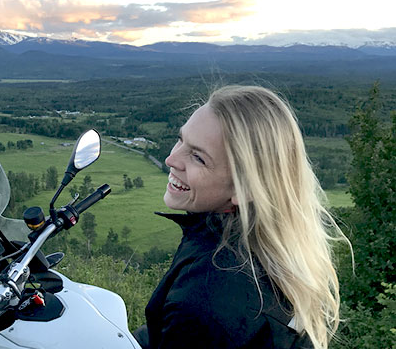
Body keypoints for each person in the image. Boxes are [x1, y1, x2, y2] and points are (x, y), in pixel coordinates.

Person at [133, 85, 348, 349]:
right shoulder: (262, 248)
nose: (171, 159)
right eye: (180, 140)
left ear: (244, 188)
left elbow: (193, 323)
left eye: (198, 158)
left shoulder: (206, 297)